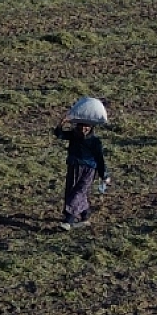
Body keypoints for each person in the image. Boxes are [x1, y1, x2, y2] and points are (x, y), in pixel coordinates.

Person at [54, 96, 109, 229]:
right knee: (74, 191)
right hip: (74, 167)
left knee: (78, 191)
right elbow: (59, 134)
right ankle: (85, 215)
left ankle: (69, 219)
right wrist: (62, 123)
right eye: (81, 126)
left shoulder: (95, 142)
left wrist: (104, 175)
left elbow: (99, 158)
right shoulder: (73, 135)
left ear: (91, 127)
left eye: (87, 126)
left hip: (89, 170)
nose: (84, 128)